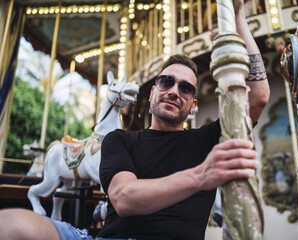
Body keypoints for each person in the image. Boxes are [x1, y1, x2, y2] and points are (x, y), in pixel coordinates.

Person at [0, 0, 269, 239]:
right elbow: (124, 198)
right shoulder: (119, 140)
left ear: (193, 105)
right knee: (11, 223)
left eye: (185, 88)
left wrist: (238, 17)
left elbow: (257, 97)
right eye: (166, 82)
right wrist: (203, 174)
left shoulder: (206, 140)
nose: (174, 91)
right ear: (153, 92)